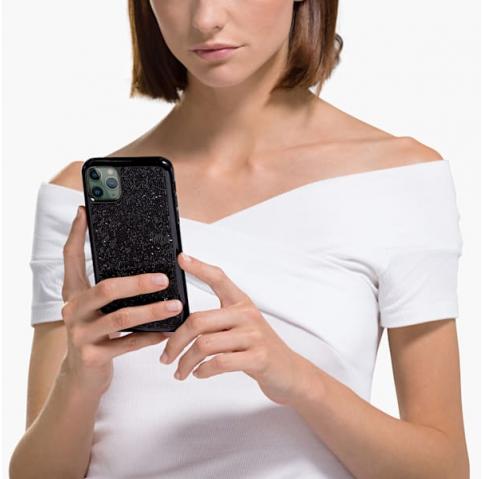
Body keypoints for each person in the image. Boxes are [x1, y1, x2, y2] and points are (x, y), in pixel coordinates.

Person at [10, 0, 470, 478]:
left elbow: (444, 470)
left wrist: (297, 379)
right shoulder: (78, 198)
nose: (205, 19)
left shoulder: (398, 180)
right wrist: (78, 379)